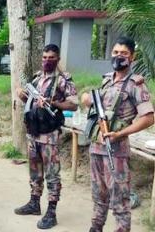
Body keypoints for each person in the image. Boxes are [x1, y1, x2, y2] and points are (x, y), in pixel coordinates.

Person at [81, 37, 154, 232]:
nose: (118, 57)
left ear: (132, 57)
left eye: (124, 54)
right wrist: (87, 99)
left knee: (120, 201)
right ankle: (95, 228)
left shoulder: (135, 85)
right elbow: (92, 103)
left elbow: (148, 118)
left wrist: (120, 133)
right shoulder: (106, 80)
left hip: (117, 152)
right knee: (98, 195)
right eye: (115, 53)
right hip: (96, 147)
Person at [14, 44, 78, 229]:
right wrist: (22, 95)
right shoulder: (37, 78)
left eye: (51, 58)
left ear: (57, 59)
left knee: (52, 173)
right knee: (35, 171)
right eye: (44, 57)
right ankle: (34, 202)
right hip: (33, 132)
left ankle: (51, 211)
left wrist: (53, 103)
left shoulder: (63, 80)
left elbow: (73, 104)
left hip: (49, 134)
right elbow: (31, 100)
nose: (47, 61)